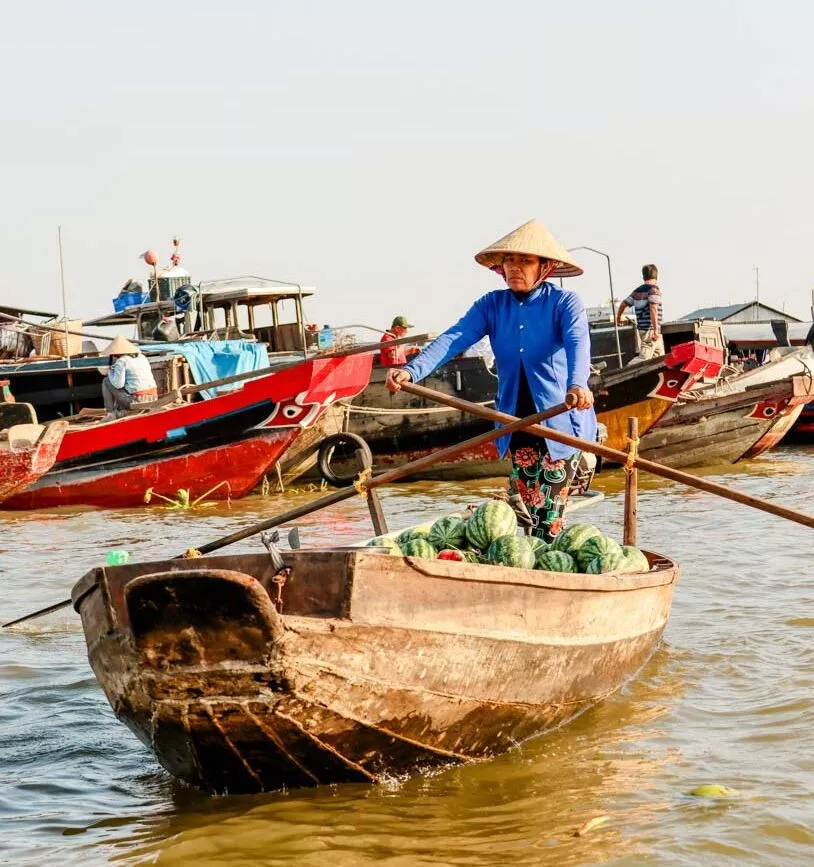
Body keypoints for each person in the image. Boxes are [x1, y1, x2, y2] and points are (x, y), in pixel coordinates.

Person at [386, 219, 596, 543]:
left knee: (548, 518)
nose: (515, 268)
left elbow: (578, 344)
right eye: (510, 261)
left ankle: (543, 575)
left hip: (560, 423)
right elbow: (454, 337)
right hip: (516, 425)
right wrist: (412, 370)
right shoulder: (492, 305)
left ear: (545, 266)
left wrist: (578, 385)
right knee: (530, 507)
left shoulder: (564, 304)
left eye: (524, 261)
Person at [100, 335, 158, 418]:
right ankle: (119, 409)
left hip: (137, 400)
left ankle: (110, 413)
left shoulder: (122, 361)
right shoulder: (142, 357)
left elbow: (118, 385)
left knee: (106, 381)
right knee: (126, 386)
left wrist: (109, 372)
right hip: (153, 397)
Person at [616, 264, 664, 362]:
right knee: (643, 359)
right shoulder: (654, 290)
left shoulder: (636, 292)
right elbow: (653, 309)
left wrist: (618, 318)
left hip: (643, 329)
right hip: (650, 330)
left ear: (643, 277)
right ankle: (627, 372)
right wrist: (656, 330)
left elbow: (623, 304)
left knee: (659, 358)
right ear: (657, 276)